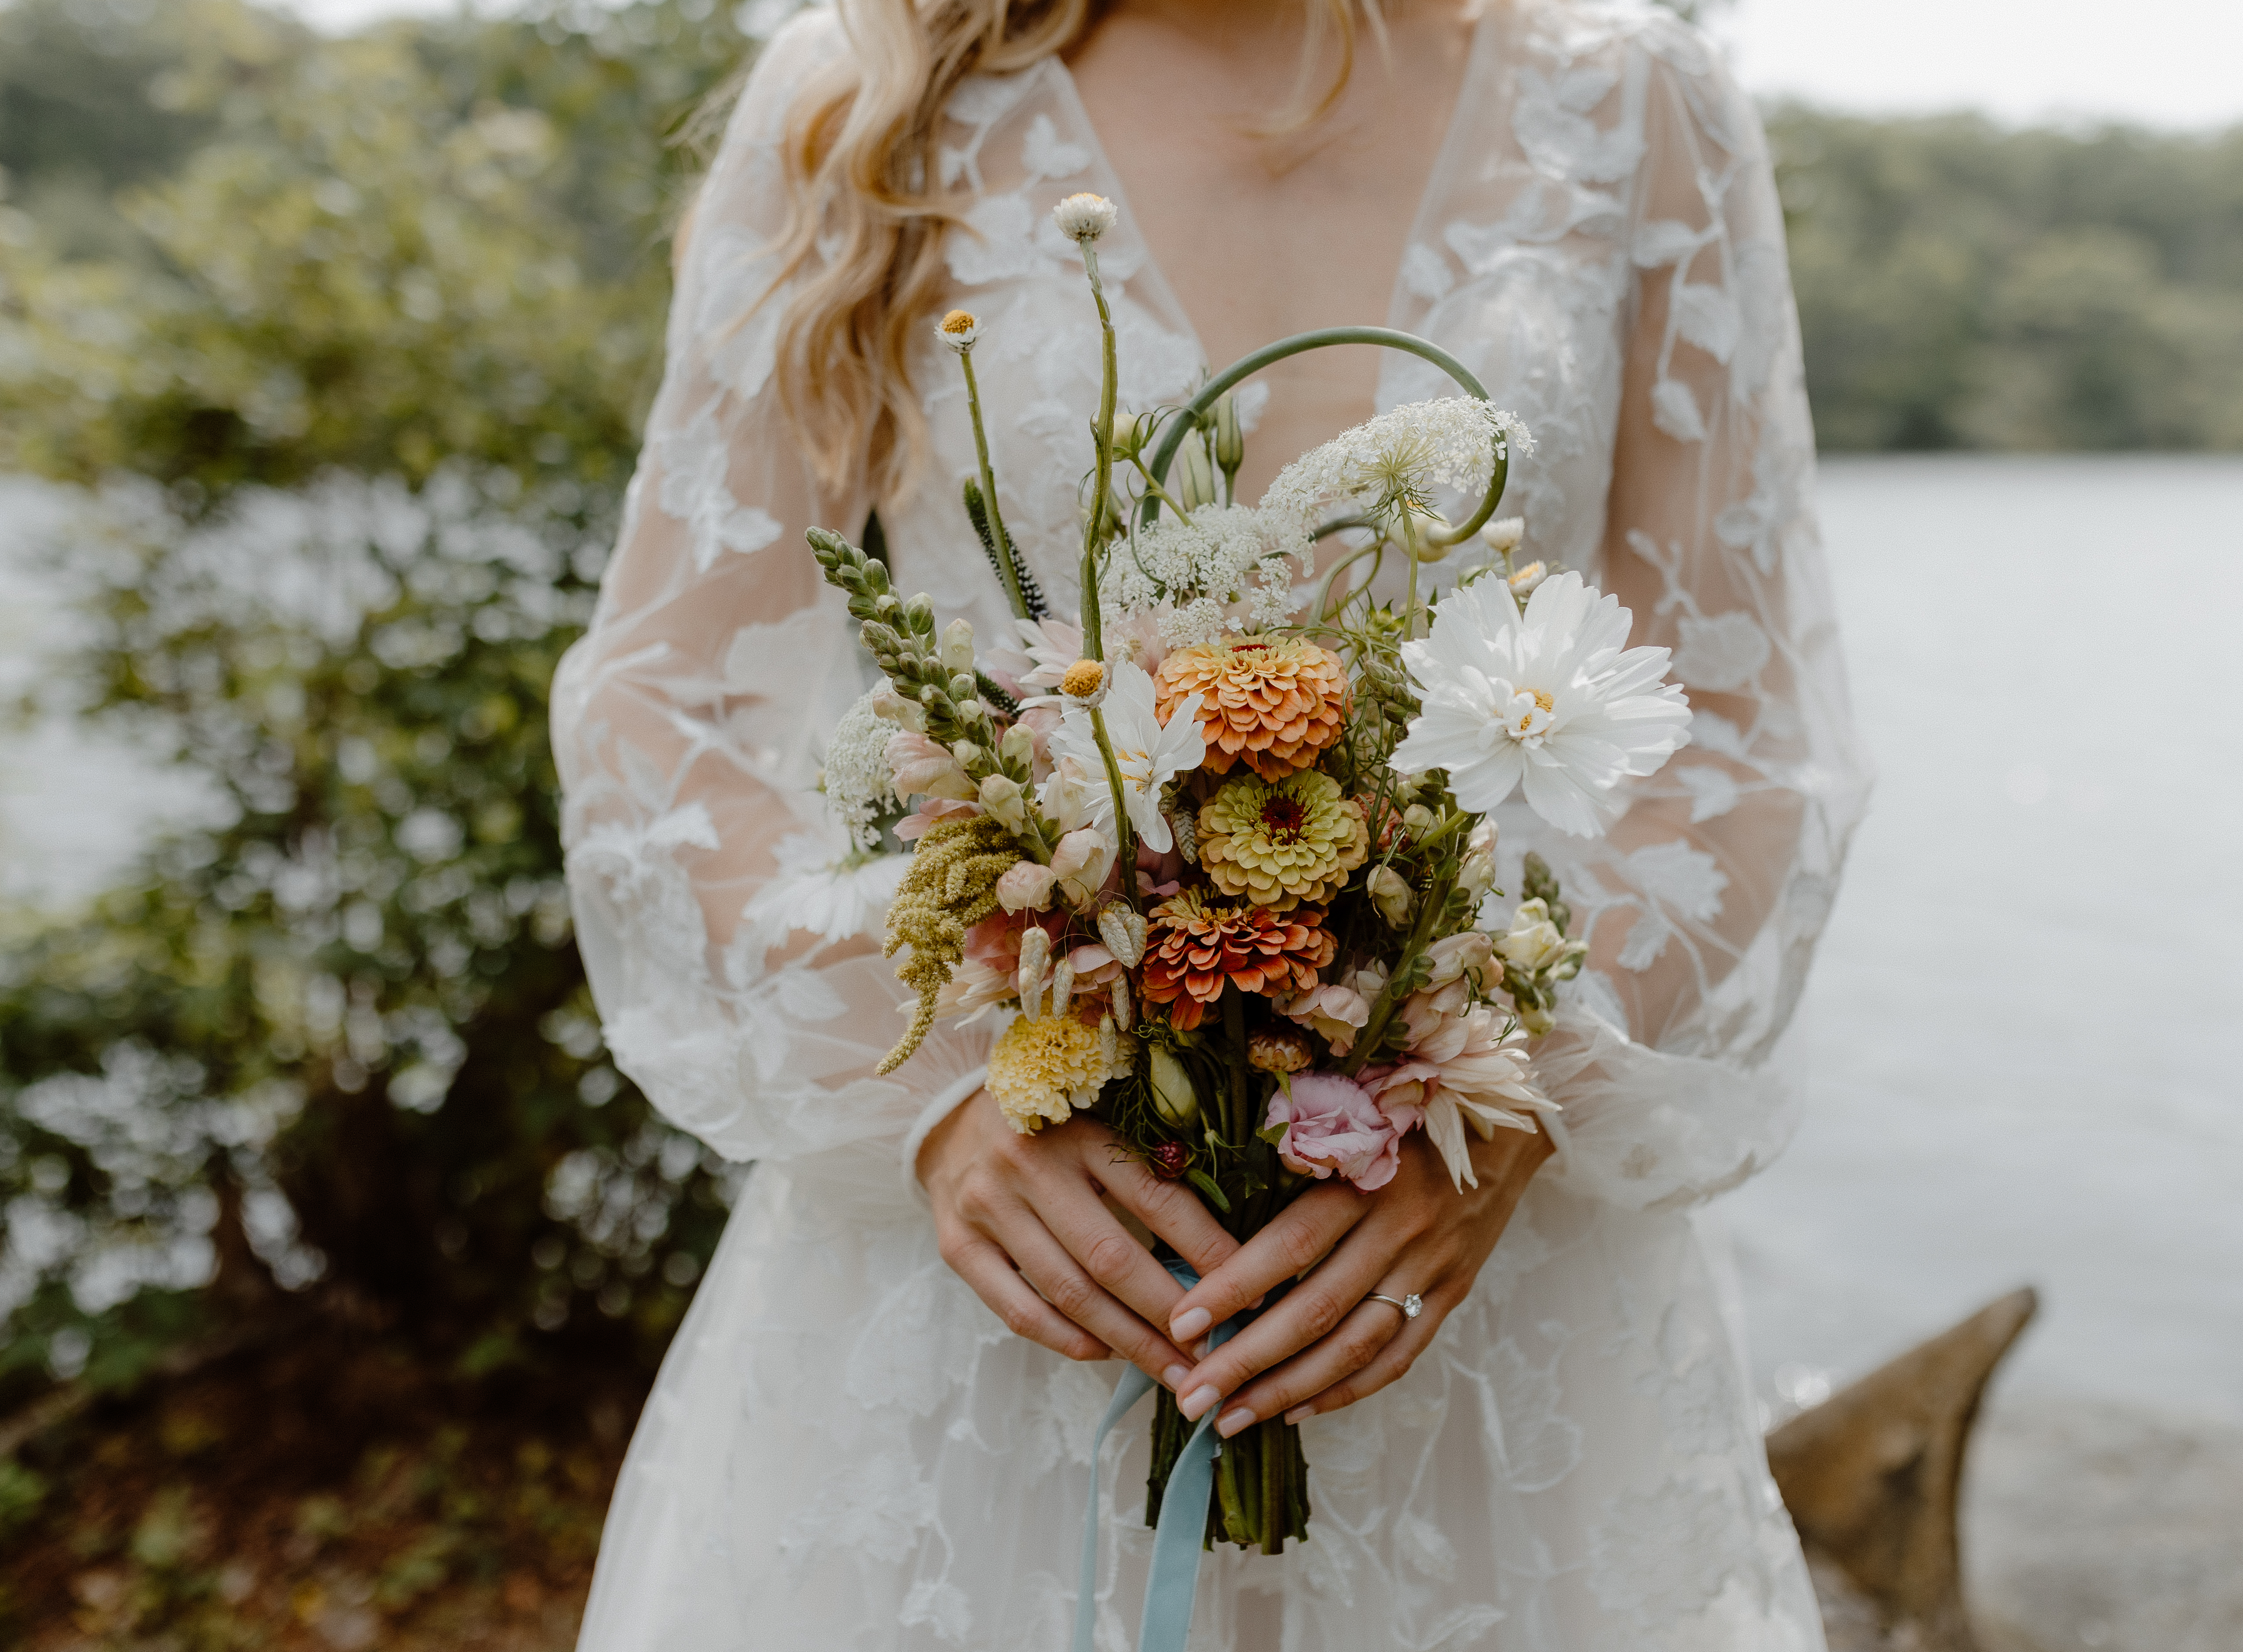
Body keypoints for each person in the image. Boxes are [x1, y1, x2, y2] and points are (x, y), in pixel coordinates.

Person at [551, 0, 1871, 1645]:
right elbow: (659, 706)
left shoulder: (1631, 102)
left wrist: (1532, 1082)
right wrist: (941, 1099)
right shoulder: (869, 97)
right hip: (1015, 1249)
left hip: (1474, 1272)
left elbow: (1740, 720)